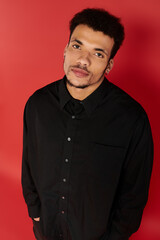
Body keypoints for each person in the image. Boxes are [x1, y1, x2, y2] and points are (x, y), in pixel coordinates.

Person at [21, 8, 154, 240]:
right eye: (77, 46)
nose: (83, 60)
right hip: (46, 230)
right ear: (65, 49)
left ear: (109, 65)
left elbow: (134, 193)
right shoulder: (37, 104)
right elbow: (29, 161)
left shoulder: (132, 118)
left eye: (98, 54)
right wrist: (36, 213)